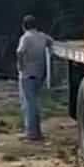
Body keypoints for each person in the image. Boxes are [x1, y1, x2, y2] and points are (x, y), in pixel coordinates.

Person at [15, 14, 54, 142]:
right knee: (35, 103)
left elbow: (20, 52)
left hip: (27, 74)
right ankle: (37, 131)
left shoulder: (25, 38)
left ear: (24, 26)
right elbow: (51, 43)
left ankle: (31, 133)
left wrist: (20, 66)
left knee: (28, 104)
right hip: (40, 74)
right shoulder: (42, 36)